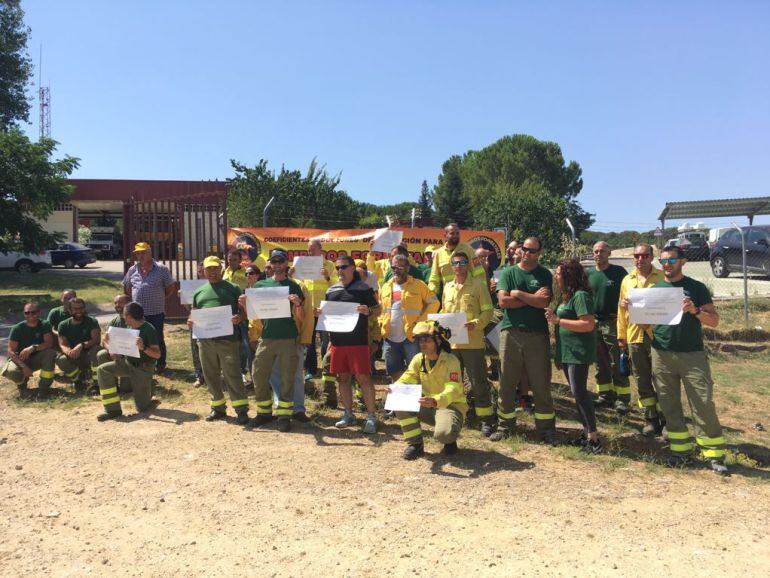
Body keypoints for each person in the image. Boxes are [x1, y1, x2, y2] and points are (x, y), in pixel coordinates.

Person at [650, 246, 728, 475]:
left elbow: (714, 321)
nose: (666, 265)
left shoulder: (696, 288)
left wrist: (694, 311)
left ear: (682, 261)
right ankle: (680, 452)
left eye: (671, 260)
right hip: (661, 354)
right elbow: (645, 322)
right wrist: (633, 308)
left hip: (692, 355)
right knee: (669, 404)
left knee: (702, 403)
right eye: (662, 261)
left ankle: (714, 454)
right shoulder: (656, 289)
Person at [493, 236, 556, 443]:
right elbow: (503, 301)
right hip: (510, 333)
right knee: (507, 382)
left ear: (539, 252)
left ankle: (546, 430)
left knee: (540, 384)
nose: (527, 253)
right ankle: (505, 427)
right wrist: (532, 299)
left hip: (537, 334)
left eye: (532, 250)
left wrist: (518, 293)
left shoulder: (544, 274)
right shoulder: (509, 272)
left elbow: (544, 301)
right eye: (524, 249)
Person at [245, 248, 305, 432]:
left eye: (280, 262)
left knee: (288, 377)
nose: (277, 265)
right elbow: (252, 314)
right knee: (259, 374)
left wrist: (298, 304)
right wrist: (243, 304)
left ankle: (284, 415)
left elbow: (301, 317)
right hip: (267, 337)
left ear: (286, 264)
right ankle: (263, 412)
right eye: (274, 262)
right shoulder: (260, 286)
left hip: (288, 338)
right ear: (269, 264)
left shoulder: (294, 286)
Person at [545, 259, 602, 453]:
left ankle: (594, 438)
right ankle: (586, 434)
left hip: (579, 351)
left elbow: (587, 324)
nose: (556, 276)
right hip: (568, 351)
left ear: (569, 275)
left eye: (559, 273)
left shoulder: (580, 296)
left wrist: (558, 320)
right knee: (576, 393)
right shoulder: (566, 296)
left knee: (580, 393)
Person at [391, 321, 467, 460]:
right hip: (428, 405)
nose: (422, 344)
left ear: (438, 341)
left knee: (443, 434)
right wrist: (395, 388)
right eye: (420, 340)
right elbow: (408, 378)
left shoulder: (451, 360)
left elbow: (453, 388)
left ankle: (449, 439)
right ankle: (416, 445)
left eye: (427, 340)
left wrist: (435, 401)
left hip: (450, 406)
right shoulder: (418, 359)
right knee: (399, 401)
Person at [189, 255, 250, 425]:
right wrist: (191, 320)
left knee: (232, 374)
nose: (213, 272)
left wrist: (239, 317)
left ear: (221, 269)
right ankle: (218, 407)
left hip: (227, 340)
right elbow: (194, 312)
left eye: (216, 268)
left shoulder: (233, 288)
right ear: (204, 271)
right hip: (205, 341)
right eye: (209, 269)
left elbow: (245, 312)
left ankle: (241, 410)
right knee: (210, 374)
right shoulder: (199, 292)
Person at [440, 251, 495, 436]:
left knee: (478, 382)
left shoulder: (478, 286)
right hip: (452, 345)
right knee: (453, 383)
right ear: (451, 266)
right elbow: (444, 311)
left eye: (462, 262)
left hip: (473, 343)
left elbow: (488, 311)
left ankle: (486, 419)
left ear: (468, 265)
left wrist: (477, 324)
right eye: (455, 263)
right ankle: (456, 417)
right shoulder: (447, 287)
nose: (459, 266)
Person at [324, 255, 381, 433]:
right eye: (337, 267)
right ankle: (348, 414)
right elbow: (329, 316)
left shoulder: (364, 288)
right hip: (338, 343)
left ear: (352, 268)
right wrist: (321, 314)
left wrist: (369, 310)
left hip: (358, 342)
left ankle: (371, 416)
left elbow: (378, 309)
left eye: (343, 267)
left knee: (363, 378)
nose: (340, 270)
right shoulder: (331, 290)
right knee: (343, 378)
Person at [617, 244, 666, 436]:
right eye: (637, 255)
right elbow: (621, 312)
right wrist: (621, 337)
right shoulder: (627, 280)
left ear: (652, 257)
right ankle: (650, 418)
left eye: (645, 255)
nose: (640, 259)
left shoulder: (662, 277)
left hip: (658, 337)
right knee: (642, 379)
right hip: (634, 336)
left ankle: (667, 418)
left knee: (662, 379)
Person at [378, 254, 440, 382]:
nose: (396, 270)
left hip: (411, 337)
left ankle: (417, 399)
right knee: (394, 371)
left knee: (416, 371)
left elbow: (435, 303)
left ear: (407, 268)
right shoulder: (385, 287)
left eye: (400, 267)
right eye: (393, 267)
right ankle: (400, 398)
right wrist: (381, 322)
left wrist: (420, 323)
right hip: (390, 338)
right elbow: (381, 309)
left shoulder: (419, 285)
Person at [96, 302, 160, 421]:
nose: (123, 317)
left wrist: (144, 348)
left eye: (124, 315)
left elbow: (157, 354)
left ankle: (148, 393)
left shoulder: (148, 329)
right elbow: (120, 347)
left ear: (130, 316)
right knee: (103, 370)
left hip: (143, 368)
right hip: (127, 363)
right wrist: (111, 347)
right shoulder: (128, 327)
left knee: (142, 408)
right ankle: (112, 410)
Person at [587, 241, 632, 415]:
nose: (598, 254)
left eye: (602, 251)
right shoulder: (588, 273)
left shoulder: (619, 272)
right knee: (599, 361)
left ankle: (622, 399)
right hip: (594, 323)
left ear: (609, 253)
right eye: (596, 251)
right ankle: (604, 394)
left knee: (616, 360)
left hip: (613, 323)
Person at [123, 242, 176, 374]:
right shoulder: (132, 270)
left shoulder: (161, 269)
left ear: (150, 252)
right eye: (137, 253)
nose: (140, 255)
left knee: (157, 338)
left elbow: (170, 288)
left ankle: (161, 364)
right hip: (137, 314)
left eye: (143, 252)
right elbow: (127, 288)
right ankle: (141, 362)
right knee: (138, 338)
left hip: (156, 311)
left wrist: (159, 298)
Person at [293, 240, 335, 381]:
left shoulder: (330, 265)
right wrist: (291, 274)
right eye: (309, 250)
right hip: (309, 309)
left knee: (326, 339)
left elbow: (336, 285)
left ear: (321, 250)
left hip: (324, 309)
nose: (310, 253)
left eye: (313, 250)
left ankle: (326, 368)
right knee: (308, 339)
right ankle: (310, 369)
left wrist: (328, 276)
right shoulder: (303, 265)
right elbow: (298, 285)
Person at [2, 302, 56, 397]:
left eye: (33, 312)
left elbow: (48, 343)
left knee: (50, 353)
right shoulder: (17, 328)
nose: (30, 315)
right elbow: (11, 351)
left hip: (37, 358)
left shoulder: (44, 324)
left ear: (39, 313)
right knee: (12, 372)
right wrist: (23, 366)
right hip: (20, 359)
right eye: (27, 313)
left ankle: (43, 389)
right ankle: (22, 388)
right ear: (24, 314)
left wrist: (33, 348)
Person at [54, 298, 103, 393]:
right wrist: (68, 351)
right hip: (74, 356)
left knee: (97, 349)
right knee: (61, 359)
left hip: (89, 355)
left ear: (84, 309)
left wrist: (81, 345)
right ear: (69, 310)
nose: (79, 311)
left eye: (81, 308)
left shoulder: (92, 321)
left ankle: (96, 384)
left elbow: (96, 340)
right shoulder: (63, 325)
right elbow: (62, 344)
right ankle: (78, 381)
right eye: (75, 309)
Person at [428, 223, 485, 302]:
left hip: (468, 295)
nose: (455, 236)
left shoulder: (468, 250)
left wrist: (482, 292)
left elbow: (479, 273)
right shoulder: (438, 253)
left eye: (457, 233)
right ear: (445, 235)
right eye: (452, 233)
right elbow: (434, 279)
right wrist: (430, 297)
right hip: (449, 297)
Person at [224, 248, 253, 387]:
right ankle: (233, 372)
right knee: (231, 344)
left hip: (243, 313)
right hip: (227, 314)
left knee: (245, 345)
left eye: (235, 260)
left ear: (240, 260)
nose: (232, 262)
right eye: (230, 259)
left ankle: (245, 372)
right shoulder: (225, 272)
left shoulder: (246, 273)